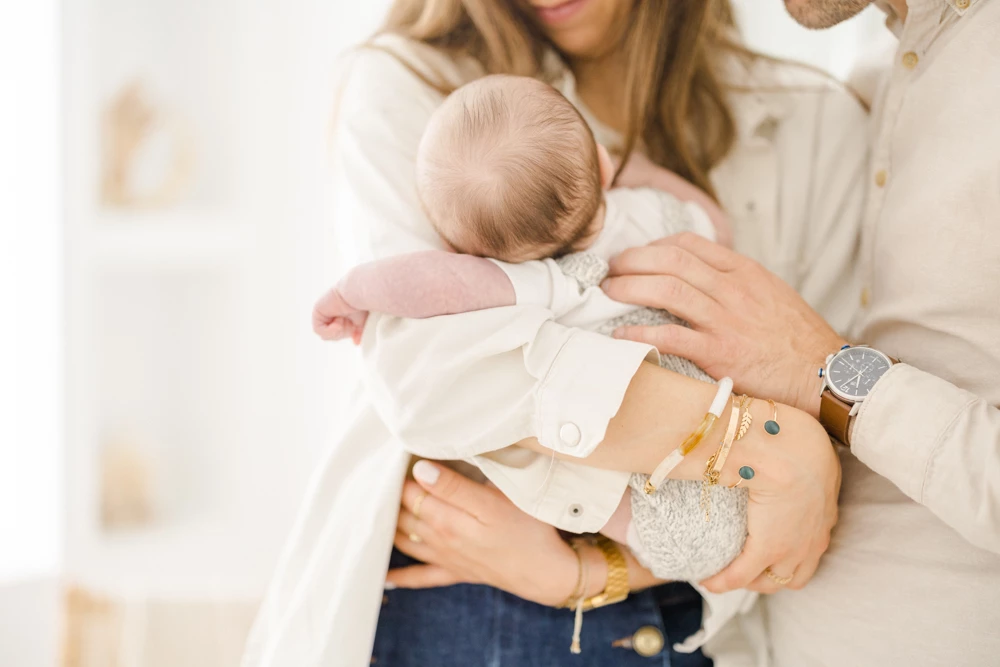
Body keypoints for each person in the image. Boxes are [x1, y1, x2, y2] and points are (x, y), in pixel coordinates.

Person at [241, 1, 868, 665]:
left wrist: (586, 571)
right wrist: (771, 444)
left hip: (698, 624)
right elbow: (429, 380)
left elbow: (808, 497)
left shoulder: (814, 122)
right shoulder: (415, 86)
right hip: (460, 599)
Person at [396, 1, 1000, 666]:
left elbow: (811, 421)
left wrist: (825, 383)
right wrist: (784, 443)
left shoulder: (818, 114)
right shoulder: (881, 80)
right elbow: (418, 370)